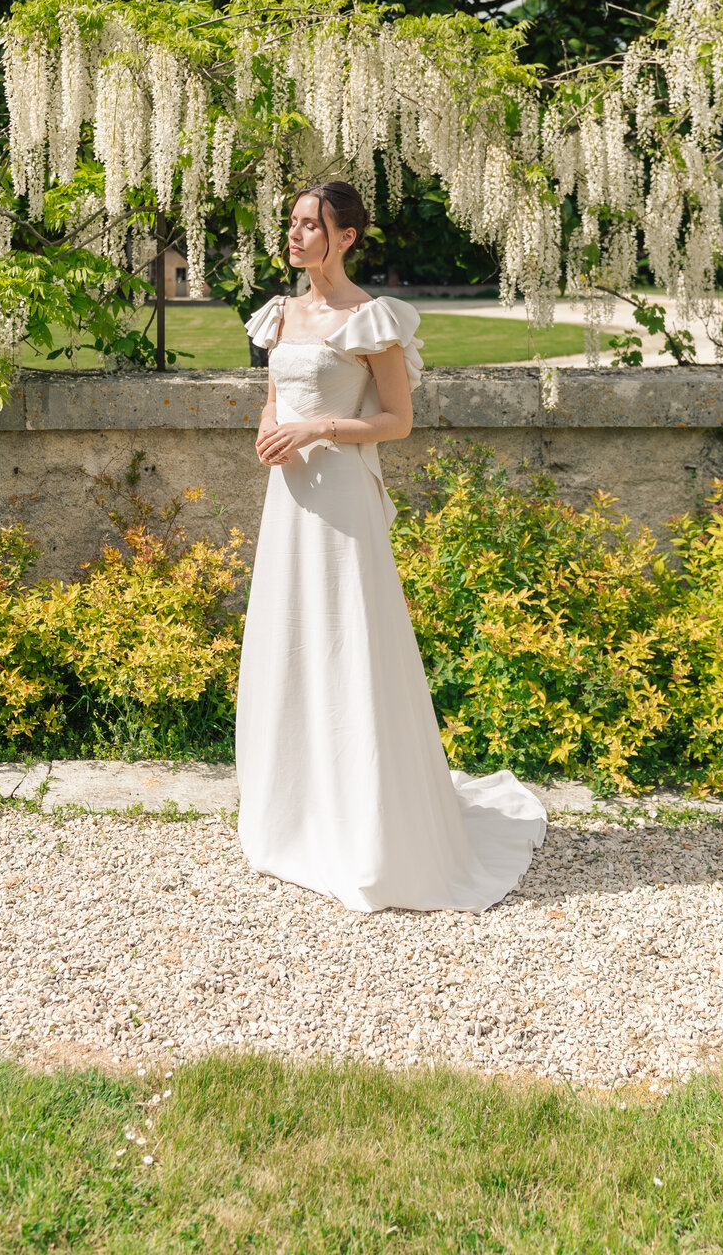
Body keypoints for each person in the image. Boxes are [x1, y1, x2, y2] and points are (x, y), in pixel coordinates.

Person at [238, 180, 547, 913]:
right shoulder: (280, 314)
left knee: (350, 642)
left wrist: (317, 431)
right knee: (290, 639)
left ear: (346, 238)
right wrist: (269, 430)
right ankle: (295, 811)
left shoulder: (370, 318)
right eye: (293, 222)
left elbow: (397, 420)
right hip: (290, 498)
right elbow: (275, 397)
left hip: (342, 494)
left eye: (312, 225)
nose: (296, 233)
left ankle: (368, 821)